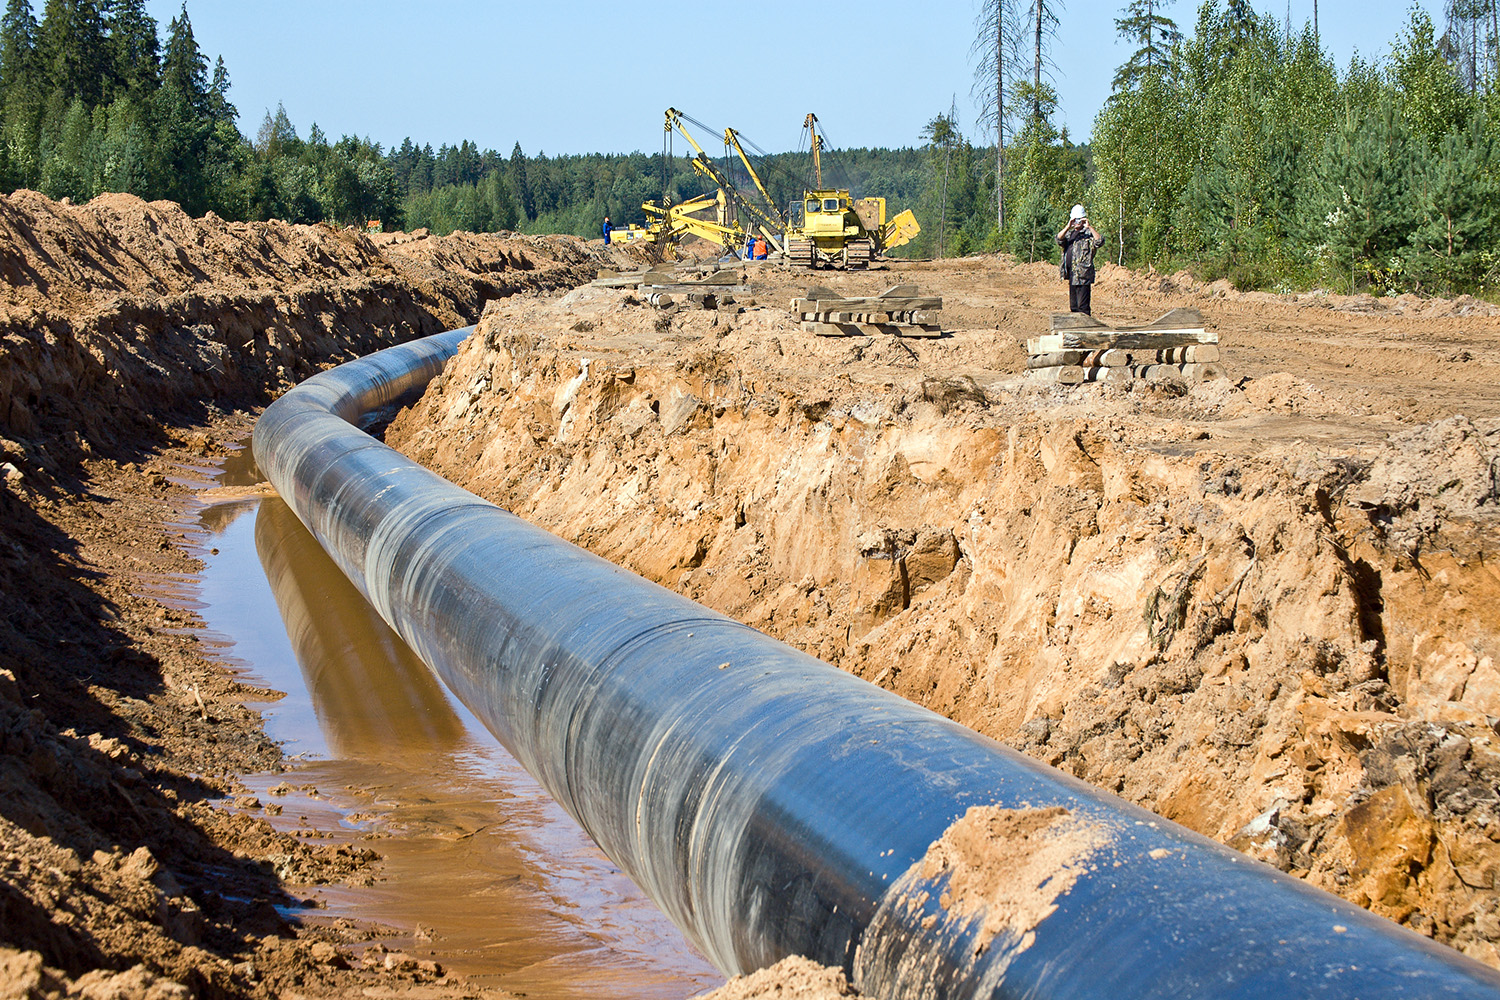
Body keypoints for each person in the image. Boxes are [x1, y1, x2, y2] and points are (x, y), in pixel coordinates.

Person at [1056, 204, 1104, 315]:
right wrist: (1068, 226)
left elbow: (1099, 241)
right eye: (1075, 220)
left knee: (1083, 307)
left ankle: (1085, 329)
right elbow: (1058, 239)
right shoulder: (1069, 235)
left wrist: (1089, 227)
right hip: (1072, 275)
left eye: (1079, 220)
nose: (1077, 222)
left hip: (1083, 276)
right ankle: (1075, 328)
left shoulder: (1088, 235)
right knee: (1074, 307)